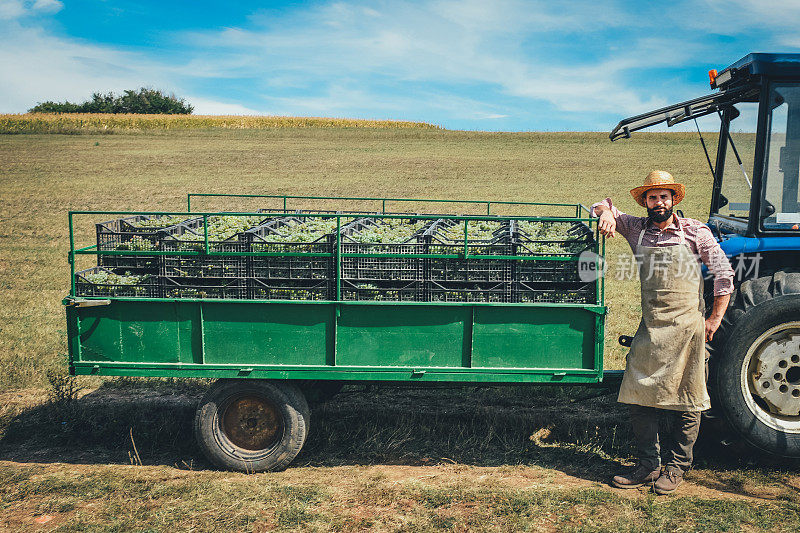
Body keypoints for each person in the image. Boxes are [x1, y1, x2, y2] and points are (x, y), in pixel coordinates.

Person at [592, 170, 734, 495]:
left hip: (688, 330)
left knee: (689, 399)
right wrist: (606, 216)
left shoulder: (695, 231)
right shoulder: (635, 229)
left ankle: (677, 467)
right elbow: (598, 206)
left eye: (664, 196)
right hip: (651, 328)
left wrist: (713, 319)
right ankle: (647, 465)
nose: (659, 202)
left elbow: (724, 273)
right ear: (645, 201)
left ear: (673, 199)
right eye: (652, 197)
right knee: (636, 392)